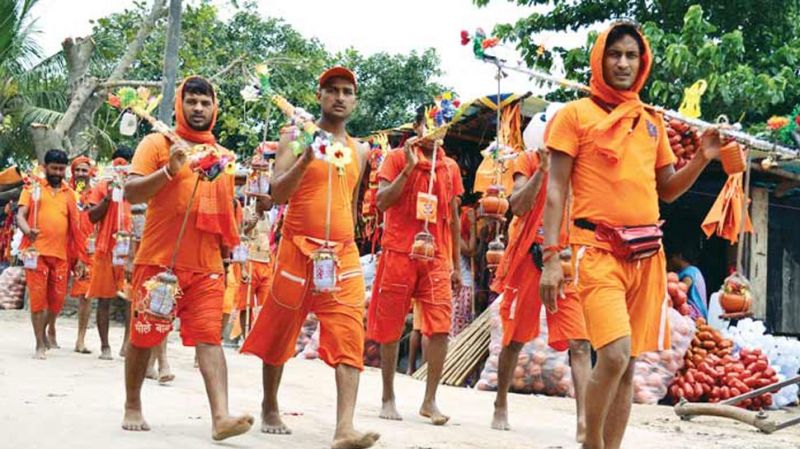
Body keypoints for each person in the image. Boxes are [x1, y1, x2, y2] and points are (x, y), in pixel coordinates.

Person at [540, 22, 721, 449]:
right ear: (600, 59)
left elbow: (668, 189)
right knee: (615, 354)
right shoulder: (574, 115)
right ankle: (592, 443)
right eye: (615, 54)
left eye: (631, 56)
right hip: (595, 250)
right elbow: (555, 190)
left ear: (643, 63)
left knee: (628, 366)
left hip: (646, 255)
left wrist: (701, 158)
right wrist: (550, 257)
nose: (623, 63)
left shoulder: (651, 120)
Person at [241, 66, 379, 449]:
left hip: (342, 254)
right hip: (297, 249)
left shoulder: (360, 150)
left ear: (355, 100)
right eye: (332, 90)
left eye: (347, 91)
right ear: (319, 96)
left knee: (349, 332)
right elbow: (277, 194)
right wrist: (306, 156)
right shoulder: (294, 136)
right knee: (281, 328)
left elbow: (351, 202)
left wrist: (350, 240)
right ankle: (270, 405)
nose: (339, 97)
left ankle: (345, 428)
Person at [122, 76, 254, 440]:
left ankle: (221, 418)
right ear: (180, 105)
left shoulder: (223, 156)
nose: (198, 108)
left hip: (207, 266)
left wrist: (231, 248)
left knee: (210, 339)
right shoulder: (156, 143)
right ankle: (132, 403)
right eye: (192, 101)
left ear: (214, 109)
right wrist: (169, 170)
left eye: (205, 102)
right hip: (159, 262)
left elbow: (225, 211)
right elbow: (131, 192)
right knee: (144, 336)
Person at [367, 105, 464, 425]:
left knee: (441, 326)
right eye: (430, 124)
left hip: (435, 255)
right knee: (391, 324)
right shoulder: (396, 158)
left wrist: (455, 265)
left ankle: (430, 400)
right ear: (417, 126)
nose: (435, 132)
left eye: (442, 125)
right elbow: (382, 201)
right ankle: (387, 396)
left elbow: (452, 218)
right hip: (399, 252)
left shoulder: (450, 167)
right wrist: (409, 169)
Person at [489, 146, 591, 442]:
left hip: (566, 262)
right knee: (514, 340)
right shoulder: (530, 159)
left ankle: (584, 419)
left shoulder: (581, 163)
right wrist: (542, 172)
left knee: (580, 342)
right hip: (529, 260)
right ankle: (500, 402)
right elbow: (518, 206)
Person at [17, 149, 89, 359]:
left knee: (56, 301)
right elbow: (20, 215)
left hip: (61, 255)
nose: (58, 173)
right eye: (54, 168)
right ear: (45, 167)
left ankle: (46, 331)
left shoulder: (70, 194)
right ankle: (39, 343)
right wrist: (27, 231)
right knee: (38, 300)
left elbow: (76, 229)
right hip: (35, 253)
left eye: (61, 169)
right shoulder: (32, 188)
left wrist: (81, 257)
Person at [86, 149, 133, 360]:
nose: (122, 168)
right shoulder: (102, 185)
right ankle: (105, 346)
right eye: (119, 164)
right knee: (104, 299)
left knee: (132, 299)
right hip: (106, 249)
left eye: (126, 164)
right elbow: (91, 217)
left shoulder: (137, 186)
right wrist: (108, 196)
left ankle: (126, 345)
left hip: (130, 251)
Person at [69, 155, 96, 354]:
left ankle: (80, 339)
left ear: (90, 172)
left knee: (86, 295)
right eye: (77, 170)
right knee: (55, 290)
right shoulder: (66, 191)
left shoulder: (96, 193)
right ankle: (50, 330)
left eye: (84, 170)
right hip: (64, 245)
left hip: (86, 249)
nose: (80, 173)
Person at [666, 239, 708, 319]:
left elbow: (682, 290)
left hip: (696, 315)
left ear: (680, 256)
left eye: (671, 258)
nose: (669, 262)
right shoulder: (680, 272)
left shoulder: (691, 271)